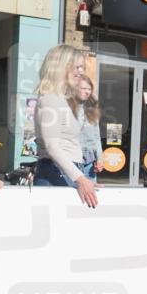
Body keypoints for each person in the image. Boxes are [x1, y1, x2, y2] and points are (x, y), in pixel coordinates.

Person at [33, 44, 98, 207]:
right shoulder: (50, 99)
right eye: (77, 67)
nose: (82, 72)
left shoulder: (62, 99)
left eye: (82, 67)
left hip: (66, 170)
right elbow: (52, 147)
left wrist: (81, 177)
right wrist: (81, 179)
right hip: (54, 172)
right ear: (61, 67)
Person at [74, 76, 103, 181]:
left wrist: (100, 158)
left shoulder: (92, 110)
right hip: (73, 161)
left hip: (89, 164)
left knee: (90, 196)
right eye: (83, 88)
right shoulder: (68, 108)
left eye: (89, 89)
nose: (87, 92)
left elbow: (97, 137)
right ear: (75, 88)